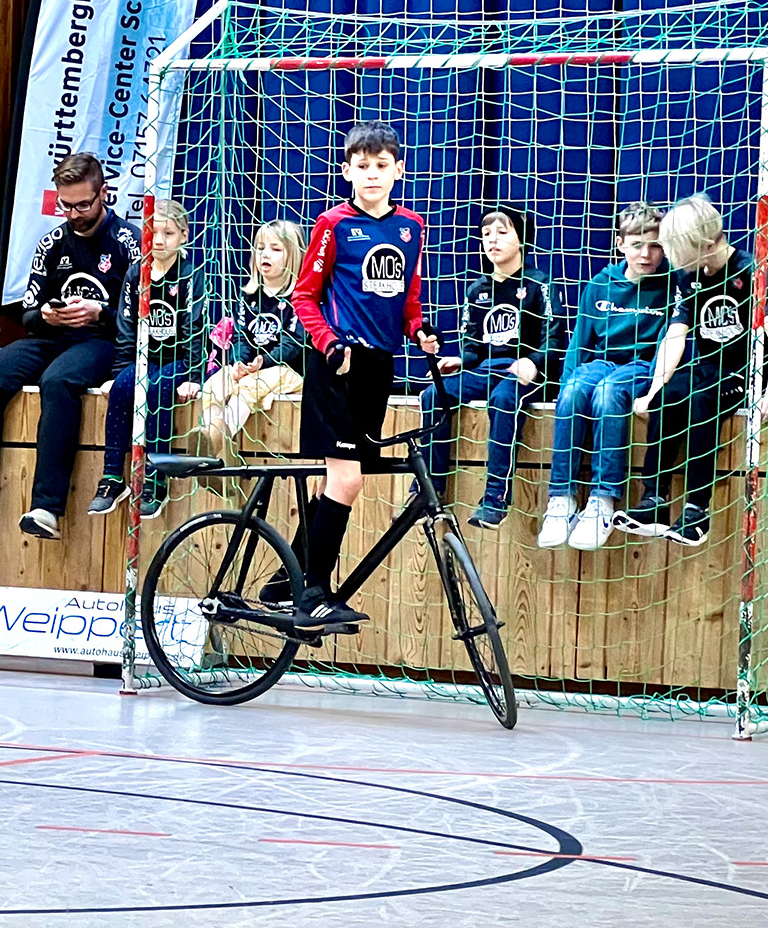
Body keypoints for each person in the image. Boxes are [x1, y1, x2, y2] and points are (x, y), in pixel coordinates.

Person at [0, 152, 140, 540]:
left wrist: (100, 313)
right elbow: (27, 313)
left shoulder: (127, 241)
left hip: (102, 340)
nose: (75, 214)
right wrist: (48, 315)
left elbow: (140, 314)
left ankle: (46, 508)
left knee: (58, 383)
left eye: (84, 204)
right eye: (66, 205)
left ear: (104, 193)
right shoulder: (53, 241)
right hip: (51, 335)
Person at [289, 122, 438, 631]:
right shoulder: (333, 224)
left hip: (379, 366)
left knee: (343, 481)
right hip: (338, 365)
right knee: (347, 479)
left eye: (382, 166)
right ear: (346, 169)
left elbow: (409, 296)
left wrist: (420, 330)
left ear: (399, 170)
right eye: (362, 166)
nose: (372, 175)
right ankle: (312, 595)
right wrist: (330, 344)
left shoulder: (411, 227)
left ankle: (289, 574)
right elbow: (303, 297)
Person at [618, 194, 751, 547]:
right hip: (706, 366)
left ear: (704, 244)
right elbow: (676, 335)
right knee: (669, 395)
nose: (673, 258)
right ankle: (654, 500)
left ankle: (696, 509)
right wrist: (652, 389)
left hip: (742, 372)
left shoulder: (750, 271)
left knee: (700, 402)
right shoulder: (688, 278)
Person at [537, 202, 671, 551]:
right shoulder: (601, 285)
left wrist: (655, 389)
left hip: (641, 366)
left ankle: (603, 499)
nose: (646, 253)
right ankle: (561, 498)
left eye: (655, 244)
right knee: (576, 389)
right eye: (637, 243)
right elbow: (580, 342)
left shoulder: (671, 285)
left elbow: (667, 344)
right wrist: (564, 387)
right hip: (603, 362)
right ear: (619, 243)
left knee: (609, 392)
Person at [421, 205, 564, 529]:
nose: (492, 240)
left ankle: (496, 497)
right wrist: (459, 360)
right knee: (433, 395)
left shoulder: (539, 284)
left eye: (502, 232)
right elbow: (473, 348)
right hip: (489, 369)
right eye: (486, 234)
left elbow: (555, 340)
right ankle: (430, 489)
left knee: (503, 399)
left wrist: (533, 361)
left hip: (527, 372)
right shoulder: (477, 290)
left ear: (521, 238)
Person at [88, 199, 206, 520]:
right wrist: (117, 372)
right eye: (153, 232)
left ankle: (156, 477)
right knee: (124, 387)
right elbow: (127, 327)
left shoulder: (191, 274)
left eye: (168, 233)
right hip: (146, 358)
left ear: (183, 235)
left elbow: (195, 328)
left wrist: (195, 376)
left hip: (180, 359)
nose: (159, 240)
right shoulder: (135, 273)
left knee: (157, 389)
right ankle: (113, 477)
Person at [198, 220, 305, 452]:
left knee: (251, 387)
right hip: (253, 369)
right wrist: (239, 362)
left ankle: (218, 439)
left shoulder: (299, 297)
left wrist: (262, 362)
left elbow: (293, 344)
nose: (265, 254)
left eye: (275, 249)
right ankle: (210, 440)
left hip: (288, 371)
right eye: (260, 247)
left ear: (293, 257)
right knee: (216, 383)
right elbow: (241, 337)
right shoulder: (249, 295)